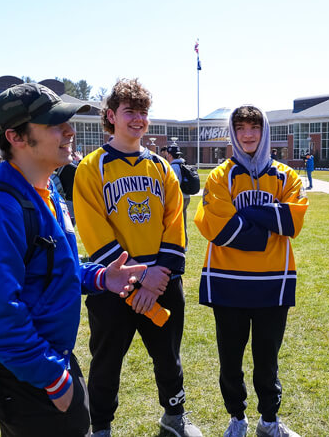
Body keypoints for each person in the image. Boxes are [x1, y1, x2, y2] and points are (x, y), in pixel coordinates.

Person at [0, 82, 146, 436]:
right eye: (54, 124)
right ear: (16, 137)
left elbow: (49, 268)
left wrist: (100, 277)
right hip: (26, 372)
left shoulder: (45, 189)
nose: (69, 130)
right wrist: (54, 379)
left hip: (49, 359)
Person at [73, 78, 202, 437]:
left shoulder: (162, 168)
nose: (138, 119)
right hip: (114, 283)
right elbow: (92, 227)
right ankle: (100, 427)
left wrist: (160, 272)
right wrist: (136, 278)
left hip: (162, 282)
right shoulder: (92, 167)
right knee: (106, 361)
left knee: (168, 356)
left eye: (143, 112)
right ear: (111, 115)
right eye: (130, 111)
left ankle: (174, 417)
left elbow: (175, 221)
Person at [194, 105, 309, 437]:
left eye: (254, 127)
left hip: (274, 283)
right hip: (227, 283)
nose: (247, 134)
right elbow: (217, 228)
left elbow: (292, 221)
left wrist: (246, 216)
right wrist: (265, 228)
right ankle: (237, 417)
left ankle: (269, 420)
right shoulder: (220, 176)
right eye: (241, 127)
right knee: (230, 360)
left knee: (267, 360)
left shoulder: (286, 176)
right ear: (233, 132)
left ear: (265, 131)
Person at [161, 144, 191, 247]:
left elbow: (174, 185)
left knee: (177, 222)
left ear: (169, 155)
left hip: (179, 197)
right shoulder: (183, 164)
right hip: (187, 196)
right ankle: (184, 243)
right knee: (183, 220)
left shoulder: (173, 167)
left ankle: (181, 244)